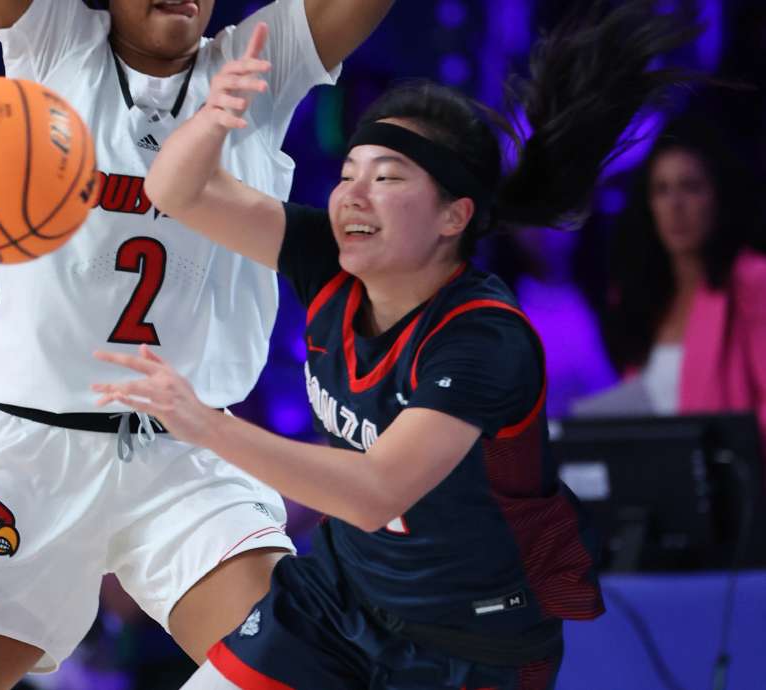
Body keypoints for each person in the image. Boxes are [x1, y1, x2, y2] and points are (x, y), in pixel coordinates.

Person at [96, 3, 701, 687]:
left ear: (454, 215)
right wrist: (212, 118)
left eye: (385, 179)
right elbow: (174, 191)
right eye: (348, 174)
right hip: (338, 603)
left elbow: (374, 493)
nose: (353, 196)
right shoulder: (328, 259)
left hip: (470, 645)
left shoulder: (483, 338)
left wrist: (207, 426)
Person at [0, 1, 395, 687]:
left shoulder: (257, 60)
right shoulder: (54, 38)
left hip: (186, 453)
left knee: (303, 670)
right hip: (28, 453)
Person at [577, 117, 766, 441]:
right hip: (652, 467)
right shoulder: (637, 295)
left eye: (691, 187)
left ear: (719, 196)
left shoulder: (754, 281)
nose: (675, 205)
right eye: (661, 190)